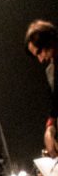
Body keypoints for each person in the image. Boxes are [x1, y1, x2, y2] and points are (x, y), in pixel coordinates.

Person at [24, 19, 58, 156]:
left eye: (39, 52)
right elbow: (55, 105)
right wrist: (50, 127)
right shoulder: (51, 71)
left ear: (48, 41)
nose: (40, 59)